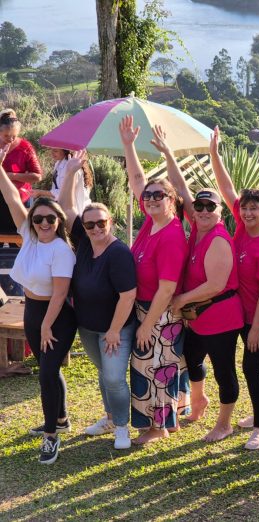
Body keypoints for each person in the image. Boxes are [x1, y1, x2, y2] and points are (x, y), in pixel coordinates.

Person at [152, 126, 245, 443]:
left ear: (220, 212)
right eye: (199, 206)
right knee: (191, 359)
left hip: (220, 314)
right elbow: (180, 185)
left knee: (223, 369)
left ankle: (224, 423)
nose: (203, 211)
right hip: (199, 316)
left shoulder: (218, 239)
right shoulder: (196, 226)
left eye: (210, 207)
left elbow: (216, 284)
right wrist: (168, 154)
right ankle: (199, 398)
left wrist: (180, 300)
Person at [56, 150, 137, 450]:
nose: (95, 229)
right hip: (88, 326)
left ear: (110, 222)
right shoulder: (84, 242)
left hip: (115, 328)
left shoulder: (119, 253)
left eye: (101, 223)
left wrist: (114, 331)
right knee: (103, 373)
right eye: (90, 225)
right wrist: (70, 173)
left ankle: (122, 427)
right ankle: (110, 418)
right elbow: (65, 208)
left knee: (114, 377)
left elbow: (128, 296)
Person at [0, 145, 76, 464]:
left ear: (58, 221)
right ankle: (61, 418)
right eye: (39, 218)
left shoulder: (62, 250)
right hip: (33, 311)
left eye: (50, 218)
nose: (44, 223)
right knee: (48, 368)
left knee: (45, 374)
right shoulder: (29, 237)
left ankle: (51, 436)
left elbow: (60, 294)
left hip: (56, 317)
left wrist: (46, 325)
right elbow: (11, 198)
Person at [119, 115, 190, 445]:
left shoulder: (171, 235)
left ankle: (157, 428)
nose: (150, 199)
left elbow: (168, 288)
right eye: (149, 196)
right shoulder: (152, 222)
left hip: (158, 312)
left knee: (153, 367)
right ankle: (167, 422)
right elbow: (137, 181)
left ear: (172, 200)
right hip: (147, 309)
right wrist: (129, 146)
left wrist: (147, 325)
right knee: (158, 364)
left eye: (159, 195)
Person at [209, 126, 259, 450]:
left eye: (255, 208)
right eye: (245, 208)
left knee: (252, 368)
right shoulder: (241, 226)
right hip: (241, 313)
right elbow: (226, 186)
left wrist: (255, 328)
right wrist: (214, 153)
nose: (248, 212)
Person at [0, 109, 42, 235]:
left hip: (19, 199)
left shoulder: (25, 147)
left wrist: (10, 176)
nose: (10, 139)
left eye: (14, 136)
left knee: (19, 236)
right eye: (6, 136)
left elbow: (37, 176)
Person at [32, 149, 93, 214]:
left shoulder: (69, 165)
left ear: (65, 151)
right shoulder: (59, 163)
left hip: (76, 210)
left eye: (55, 151)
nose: (52, 153)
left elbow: (64, 192)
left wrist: (40, 192)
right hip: (67, 207)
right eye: (51, 150)